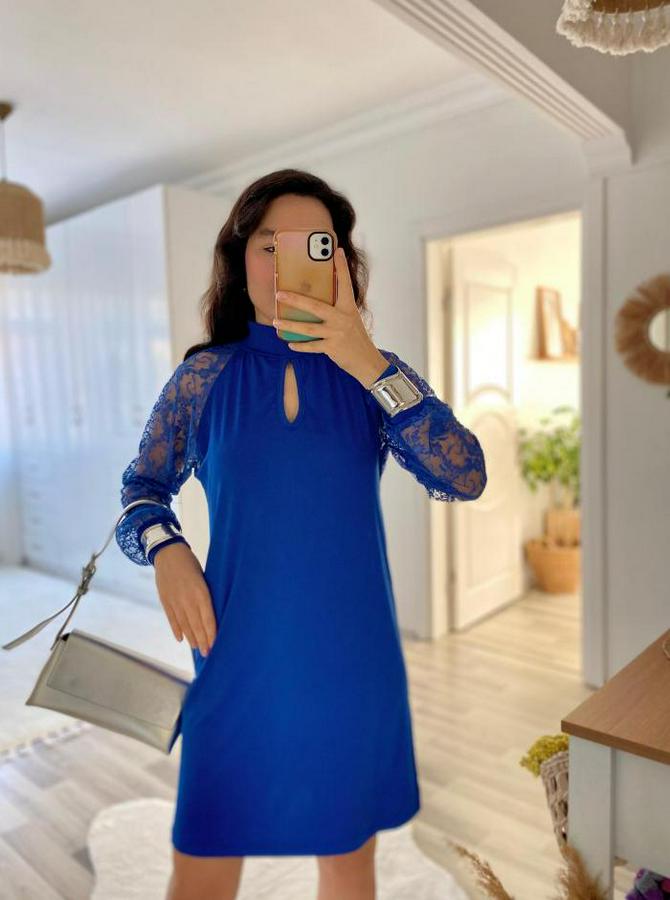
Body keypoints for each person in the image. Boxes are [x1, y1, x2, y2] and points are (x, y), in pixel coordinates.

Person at [115, 168, 487, 900]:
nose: (288, 263)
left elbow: (464, 473)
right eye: (269, 244)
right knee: (202, 863)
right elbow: (141, 488)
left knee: (347, 863)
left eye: (315, 245)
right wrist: (168, 551)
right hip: (234, 652)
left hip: (351, 662)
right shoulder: (202, 379)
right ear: (240, 259)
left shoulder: (375, 379)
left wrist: (365, 359)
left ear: (341, 263)